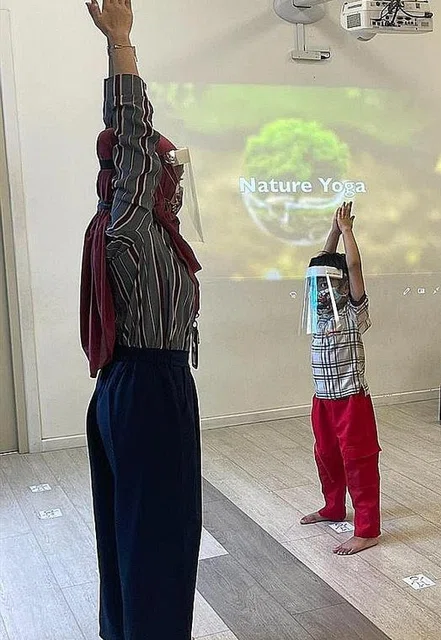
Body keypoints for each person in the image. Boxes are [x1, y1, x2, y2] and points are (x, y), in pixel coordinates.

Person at [81, 1, 203, 638]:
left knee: (130, 537)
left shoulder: (139, 229)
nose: (175, 180)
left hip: (133, 389)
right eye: (167, 169)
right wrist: (121, 44)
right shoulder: (128, 220)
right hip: (148, 389)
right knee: (160, 543)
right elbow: (130, 131)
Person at [299, 202, 382, 555]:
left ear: (345, 288)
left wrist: (347, 231)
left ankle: (367, 529)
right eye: (318, 285)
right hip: (323, 400)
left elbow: (354, 267)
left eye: (330, 284)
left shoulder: (353, 313)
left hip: (352, 401)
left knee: (359, 461)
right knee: (327, 456)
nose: (323, 290)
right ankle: (333, 506)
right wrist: (332, 230)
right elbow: (323, 263)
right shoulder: (317, 314)